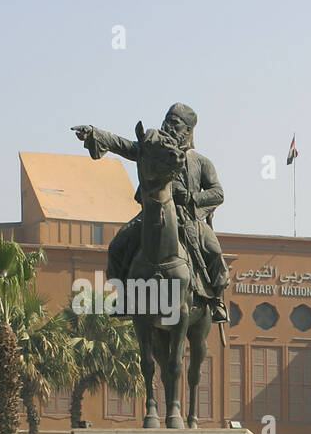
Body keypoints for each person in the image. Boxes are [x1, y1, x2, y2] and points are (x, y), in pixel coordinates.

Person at [73, 103, 229, 322]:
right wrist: (93, 133)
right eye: (167, 120)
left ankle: (216, 301)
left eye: (174, 123)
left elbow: (218, 193)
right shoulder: (151, 149)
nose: (168, 126)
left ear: (187, 130)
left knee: (213, 250)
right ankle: (124, 296)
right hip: (151, 215)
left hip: (188, 218)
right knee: (117, 246)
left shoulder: (201, 162)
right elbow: (121, 144)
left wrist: (192, 197)